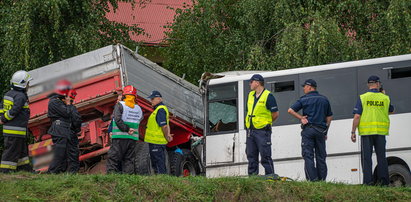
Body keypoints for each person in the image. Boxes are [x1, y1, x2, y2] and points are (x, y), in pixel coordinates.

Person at [351, 75, 394, 186]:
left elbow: (357, 116)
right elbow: (391, 111)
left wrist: (353, 132)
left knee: (367, 159)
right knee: (381, 158)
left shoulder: (363, 97)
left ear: (368, 85)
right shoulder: (385, 98)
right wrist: (383, 95)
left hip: (366, 133)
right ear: (378, 84)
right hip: (380, 133)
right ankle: (384, 183)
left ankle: (368, 183)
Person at [288, 79, 332, 181]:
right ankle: (322, 180)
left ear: (310, 87)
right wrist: (326, 131)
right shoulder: (324, 99)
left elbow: (290, 110)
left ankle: (312, 180)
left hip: (308, 130)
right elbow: (329, 117)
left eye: (305, 86)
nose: (304, 88)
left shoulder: (304, 99)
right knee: (321, 156)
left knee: (308, 156)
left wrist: (301, 118)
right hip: (321, 131)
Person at [245, 74, 279, 176]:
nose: (250, 84)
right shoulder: (250, 95)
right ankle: (253, 178)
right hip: (250, 131)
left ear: (257, 82)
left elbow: (275, 114)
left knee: (265, 156)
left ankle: (270, 177)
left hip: (263, 131)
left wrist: (266, 122)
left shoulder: (268, 96)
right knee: (251, 156)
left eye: (251, 82)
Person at [0, 70, 33, 173]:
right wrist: (3, 119)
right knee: (11, 151)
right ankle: (5, 171)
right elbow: (14, 110)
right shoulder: (20, 96)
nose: (29, 85)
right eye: (27, 83)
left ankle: (24, 169)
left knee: (22, 151)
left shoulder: (8, 94)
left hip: (15, 130)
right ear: (22, 84)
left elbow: (2, 107)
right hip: (15, 130)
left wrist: (2, 116)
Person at [106, 85, 143, 174]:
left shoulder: (119, 105)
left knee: (113, 157)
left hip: (120, 136)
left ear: (124, 95)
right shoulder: (138, 108)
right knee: (129, 159)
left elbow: (117, 119)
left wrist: (126, 129)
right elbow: (140, 119)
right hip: (132, 138)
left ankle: (111, 177)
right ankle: (128, 178)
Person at [47, 79, 74, 174]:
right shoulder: (55, 102)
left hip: (61, 129)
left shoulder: (57, 101)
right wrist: (68, 104)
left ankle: (59, 171)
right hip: (59, 129)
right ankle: (52, 172)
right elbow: (67, 113)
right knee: (59, 152)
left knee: (63, 152)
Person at [145, 90, 173, 174]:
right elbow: (167, 124)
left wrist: (167, 136)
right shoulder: (158, 109)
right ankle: (161, 180)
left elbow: (164, 125)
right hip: (155, 142)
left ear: (159, 99)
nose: (151, 101)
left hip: (157, 142)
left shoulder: (160, 110)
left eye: (153, 99)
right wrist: (167, 134)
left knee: (158, 164)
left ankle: (162, 181)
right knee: (157, 163)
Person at [66, 89, 82, 173]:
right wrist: (77, 130)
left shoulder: (58, 107)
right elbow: (76, 120)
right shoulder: (72, 108)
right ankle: (73, 172)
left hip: (62, 133)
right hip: (71, 133)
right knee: (73, 153)